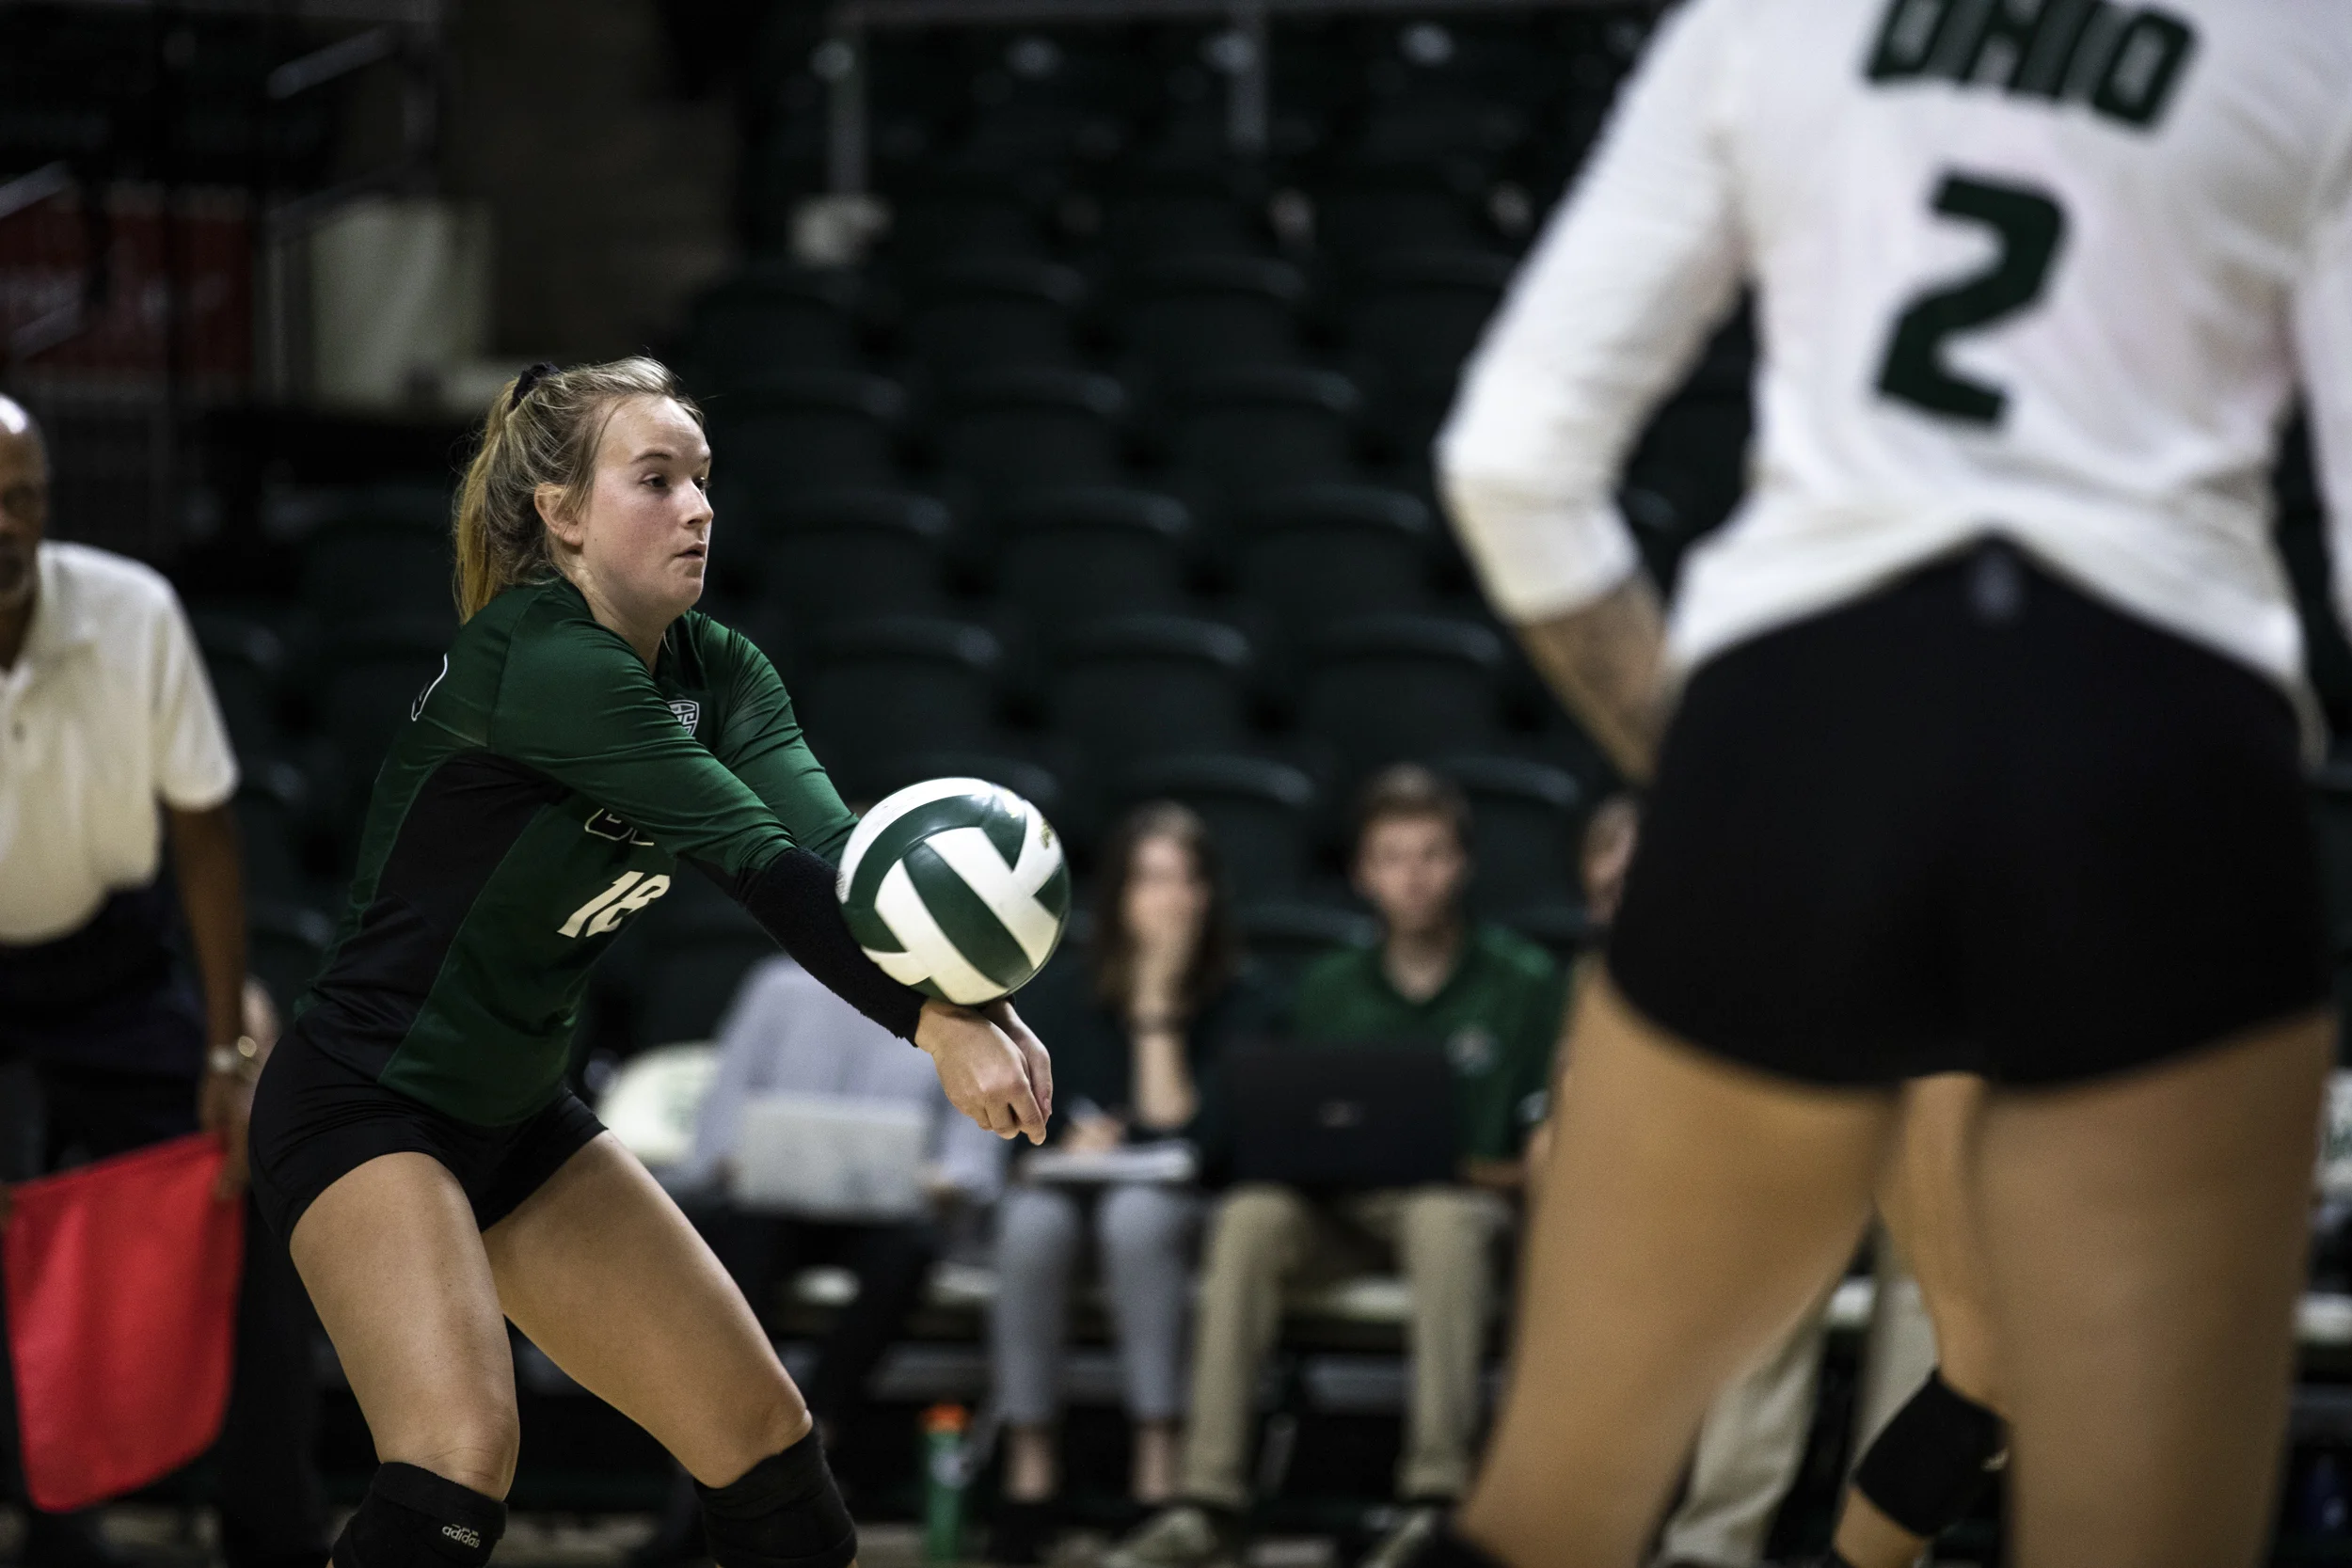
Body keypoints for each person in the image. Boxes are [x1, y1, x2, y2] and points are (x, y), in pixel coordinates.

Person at [1416, 0, 2352, 1563]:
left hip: (1814, 718)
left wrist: (1710, 774)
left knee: (1550, 1511)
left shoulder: (1769, 19)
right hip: (2159, 738)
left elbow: (1515, 459)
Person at [242, 356, 1054, 1568]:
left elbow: (831, 858)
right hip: (365, 1103)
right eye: (656, 479)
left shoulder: (721, 671)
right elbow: (754, 863)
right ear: (559, 514)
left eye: (704, 481)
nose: (698, 507)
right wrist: (935, 1027)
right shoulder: (544, 662)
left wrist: (974, 994)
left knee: (767, 1442)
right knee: (458, 1455)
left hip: (516, 1118)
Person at [0, 393, 327, 1568]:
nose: (5, 523)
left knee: (245, 1185)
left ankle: (274, 1533)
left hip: (112, 960)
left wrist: (230, 1041)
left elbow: (205, 831)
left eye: (23, 496)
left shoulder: (132, 612)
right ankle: (54, 1526)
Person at [1109, 765, 1563, 1568]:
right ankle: (1207, 1499)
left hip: (1464, 1205)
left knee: (1444, 1220)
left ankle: (1434, 1498)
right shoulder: (1327, 986)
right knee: (1250, 1214)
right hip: (1341, 1208)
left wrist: (1473, 1168)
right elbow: (1294, 1123)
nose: (1413, 876)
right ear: (1362, 873)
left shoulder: (1524, 983)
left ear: (1463, 864)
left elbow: (1544, 1154)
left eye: (1431, 854)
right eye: (1393, 856)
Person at [630, 946, 1012, 1568]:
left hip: (893, 1212)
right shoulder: (778, 986)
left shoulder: (961, 997)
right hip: (773, 1201)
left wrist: (931, 1180)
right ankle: (705, 1460)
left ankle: (813, 1436)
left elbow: (974, 1162)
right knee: (729, 1238)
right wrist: (747, 1157)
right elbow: (719, 1125)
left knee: (907, 1254)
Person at [987, 802, 1283, 1564]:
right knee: (1030, 1224)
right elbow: (1020, 1123)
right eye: (1151, 879)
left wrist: (1157, 1006)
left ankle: (1159, 1455)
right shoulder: (1063, 988)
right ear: (1119, 894)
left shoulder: (1244, 999)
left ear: (1211, 895)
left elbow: (1190, 1135)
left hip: (1179, 1203)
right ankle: (1030, 1463)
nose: (1171, 898)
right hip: (1065, 1191)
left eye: (1188, 879)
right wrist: (1063, 1135)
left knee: (1138, 1216)